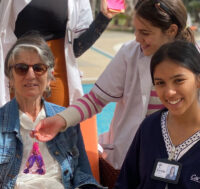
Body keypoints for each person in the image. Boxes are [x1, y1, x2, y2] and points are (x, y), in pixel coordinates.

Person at [33, 0, 196, 172]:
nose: (137, 38)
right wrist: (60, 120)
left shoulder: (194, 62)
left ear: (171, 30)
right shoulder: (131, 53)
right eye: (136, 30)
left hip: (181, 160)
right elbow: (95, 99)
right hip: (134, 159)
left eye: (145, 32)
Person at [0, 33, 104, 189]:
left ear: (49, 77)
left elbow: (84, 178)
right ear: (10, 78)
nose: (31, 75)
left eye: (39, 68)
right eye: (21, 68)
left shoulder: (65, 120)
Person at [95, 40, 200, 189]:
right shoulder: (150, 127)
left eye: (179, 80)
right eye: (160, 83)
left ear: (198, 80)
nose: (169, 92)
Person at [0, 0, 117, 107]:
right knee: (16, 127)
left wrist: (104, 18)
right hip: (20, 72)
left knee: (59, 126)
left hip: (57, 75)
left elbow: (76, 48)